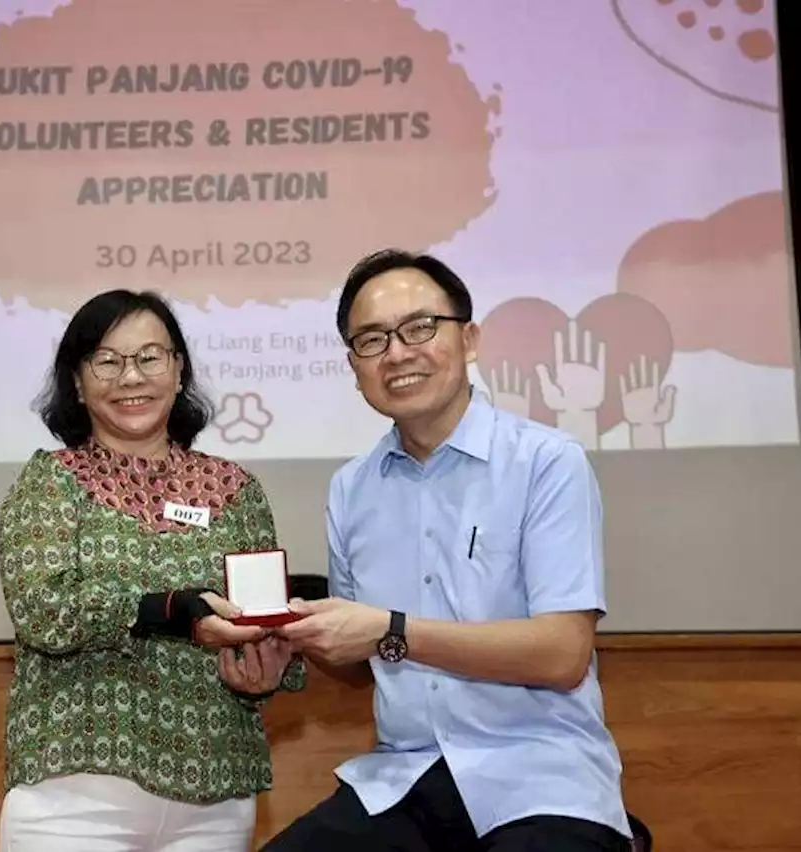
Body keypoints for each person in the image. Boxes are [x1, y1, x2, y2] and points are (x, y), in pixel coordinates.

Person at [266, 250, 631, 851]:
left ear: (470, 339)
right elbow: (363, 666)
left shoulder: (546, 462)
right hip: (402, 780)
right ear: (354, 366)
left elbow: (563, 654)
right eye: (372, 339)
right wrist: (295, 643)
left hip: (540, 779)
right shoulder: (351, 488)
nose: (398, 353)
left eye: (419, 328)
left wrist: (394, 628)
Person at [0, 288, 305, 852]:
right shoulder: (50, 482)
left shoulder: (236, 490)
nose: (130, 378)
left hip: (215, 792)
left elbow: (263, 620)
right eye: (107, 362)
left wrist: (262, 671)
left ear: (178, 369)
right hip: (77, 796)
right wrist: (171, 611)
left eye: (149, 358)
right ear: (77, 382)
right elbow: (44, 612)